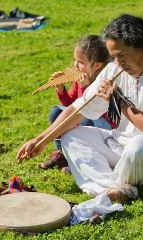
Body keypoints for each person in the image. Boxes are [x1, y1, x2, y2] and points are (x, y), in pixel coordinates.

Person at [16, 14, 143, 203]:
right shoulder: (114, 69)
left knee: (139, 145)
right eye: (114, 57)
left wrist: (117, 100)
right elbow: (78, 110)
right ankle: (113, 188)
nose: (117, 63)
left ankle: (123, 185)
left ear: (141, 46)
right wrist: (42, 139)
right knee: (71, 136)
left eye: (121, 55)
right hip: (121, 145)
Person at [39, 35, 114, 172]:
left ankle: (90, 159)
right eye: (75, 60)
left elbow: (96, 111)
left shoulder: (106, 81)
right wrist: (61, 90)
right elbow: (70, 103)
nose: (75, 65)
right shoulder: (80, 79)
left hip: (104, 126)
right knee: (57, 112)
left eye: (80, 62)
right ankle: (62, 153)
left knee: (84, 118)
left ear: (97, 65)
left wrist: (86, 88)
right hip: (84, 119)